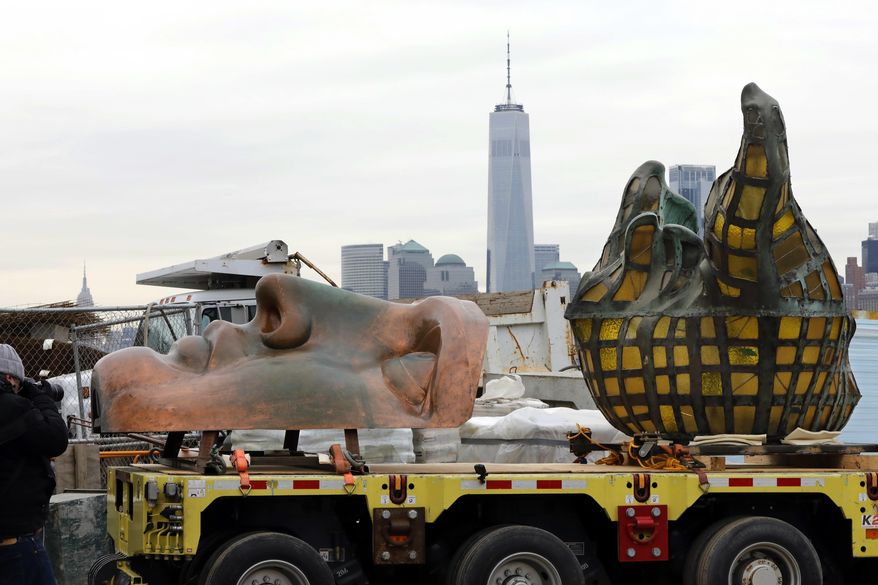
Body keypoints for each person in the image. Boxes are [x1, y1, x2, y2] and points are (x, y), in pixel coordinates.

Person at [0, 344, 68, 585]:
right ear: (10, 378)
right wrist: (39, 395)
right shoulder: (11, 406)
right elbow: (56, 439)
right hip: (13, 544)